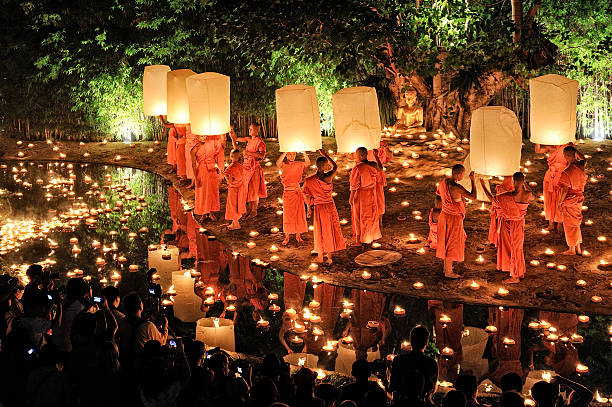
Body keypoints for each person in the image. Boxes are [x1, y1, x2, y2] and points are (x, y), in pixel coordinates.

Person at [481, 172, 534, 283]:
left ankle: (515, 277)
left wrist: (483, 185)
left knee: (511, 248)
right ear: (523, 181)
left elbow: (492, 199)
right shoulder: (528, 194)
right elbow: (533, 195)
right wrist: (524, 184)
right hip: (519, 224)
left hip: (508, 224)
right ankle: (519, 271)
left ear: (513, 182)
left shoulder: (507, 196)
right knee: (517, 248)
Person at [302, 149, 346, 264]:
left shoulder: (309, 180)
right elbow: (335, 166)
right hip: (330, 206)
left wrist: (308, 209)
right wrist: (326, 155)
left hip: (319, 207)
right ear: (325, 167)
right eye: (327, 165)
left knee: (320, 230)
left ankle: (321, 256)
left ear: (317, 166)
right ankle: (329, 256)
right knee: (329, 229)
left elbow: (306, 195)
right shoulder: (328, 177)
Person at [436, 164, 477, 278]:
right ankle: (449, 272)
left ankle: (446, 269)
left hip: (444, 216)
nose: (463, 177)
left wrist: (459, 199)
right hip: (453, 218)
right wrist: (473, 180)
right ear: (459, 174)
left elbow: (441, 195)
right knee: (452, 243)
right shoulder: (456, 187)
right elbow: (473, 197)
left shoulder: (443, 183)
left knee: (447, 242)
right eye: (463, 175)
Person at [390, 325, 438, 402]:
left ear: (411, 340)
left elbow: (392, 386)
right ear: (426, 342)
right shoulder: (431, 363)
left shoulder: (399, 360)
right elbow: (433, 388)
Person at [230, 122, 267, 218]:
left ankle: (254, 210)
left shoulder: (260, 142)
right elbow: (236, 138)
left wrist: (249, 153)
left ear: (257, 130)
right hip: (246, 168)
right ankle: (250, 209)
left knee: (253, 189)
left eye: (251, 129)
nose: (249, 130)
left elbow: (262, 155)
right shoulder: (248, 139)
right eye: (249, 128)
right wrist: (232, 131)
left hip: (254, 168)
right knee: (247, 189)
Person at [536, 143, 573, 232]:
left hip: (561, 175)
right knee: (549, 198)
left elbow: (572, 160)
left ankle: (559, 223)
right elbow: (538, 151)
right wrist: (537, 139)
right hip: (550, 176)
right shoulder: (550, 147)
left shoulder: (566, 147)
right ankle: (551, 223)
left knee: (559, 198)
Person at [118, 293, 168, 359]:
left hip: (125, 363)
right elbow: (162, 342)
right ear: (140, 306)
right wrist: (165, 326)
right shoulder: (147, 326)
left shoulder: (120, 322)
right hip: (141, 365)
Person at [557, 145, 587, 255]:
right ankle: (578, 247)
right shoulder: (581, 166)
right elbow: (584, 159)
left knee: (569, 225)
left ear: (566, 156)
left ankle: (572, 249)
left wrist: (560, 203)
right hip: (579, 198)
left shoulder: (567, 172)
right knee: (576, 223)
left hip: (570, 199)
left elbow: (564, 190)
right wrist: (575, 151)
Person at [350, 147, 383, 245]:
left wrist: (351, 198)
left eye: (356, 155)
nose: (355, 157)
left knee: (359, 216)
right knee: (371, 215)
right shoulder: (372, 164)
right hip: (372, 193)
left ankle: (359, 239)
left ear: (360, 156)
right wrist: (376, 156)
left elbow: (354, 185)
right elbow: (380, 169)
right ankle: (371, 236)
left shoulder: (358, 168)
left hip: (361, 195)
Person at [276, 151, 310, 246]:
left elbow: (308, 163)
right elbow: (278, 163)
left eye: (294, 154)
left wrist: (304, 152)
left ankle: (298, 235)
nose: (292, 156)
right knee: (288, 214)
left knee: (299, 213)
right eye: (290, 154)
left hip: (297, 192)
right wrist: (285, 151)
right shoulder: (283, 165)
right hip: (288, 193)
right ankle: (287, 236)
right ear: (286, 155)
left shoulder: (298, 164)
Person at [192, 134, 224, 221]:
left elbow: (218, 154)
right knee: (202, 192)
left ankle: (210, 212)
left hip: (212, 169)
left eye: (205, 136)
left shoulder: (211, 142)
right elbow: (193, 165)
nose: (204, 138)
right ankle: (203, 213)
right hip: (201, 171)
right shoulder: (194, 149)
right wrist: (196, 178)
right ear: (197, 137)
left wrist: (220, 172)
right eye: (201, 136)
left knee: (211, 190)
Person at [368, 141, 393, 230]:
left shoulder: (381, 144)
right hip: (367, 175)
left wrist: (385, 147)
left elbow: (389, 156)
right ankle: (370, 220)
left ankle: (379, 221)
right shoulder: (365, 144)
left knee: (379, 198)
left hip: (378, 176)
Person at [487, 177, 515, 246]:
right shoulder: (514, 192)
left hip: (504, 218)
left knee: (505, 237)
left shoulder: (504, 192)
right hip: (512, 220)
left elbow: (493, 199)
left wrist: (483, 185)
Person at [224, 149, 247, 230]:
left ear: (231, 156)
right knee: (238, 204)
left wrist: (223, 175)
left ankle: (236, 223)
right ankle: (235, 222)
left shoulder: (230, 168)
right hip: (240, 187)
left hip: (233, 189)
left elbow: (229, 181)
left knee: (232, 205)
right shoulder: (240, 166)